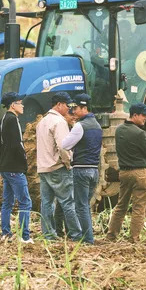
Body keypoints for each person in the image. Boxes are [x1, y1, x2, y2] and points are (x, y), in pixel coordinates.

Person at [108, 103, 146, 242]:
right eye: (143, 115)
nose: (145, 118)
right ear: (134, 115)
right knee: (138, 207)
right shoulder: (140, 133)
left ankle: (111, 235)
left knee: (120, 206)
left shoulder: (119, 130)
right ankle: (134, 238)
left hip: (124, 173)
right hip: (140, 173)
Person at [36, 92, 82, 241]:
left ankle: (49, 234)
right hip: (58, 167)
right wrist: (68, 162)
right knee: (68, 202)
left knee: (47, 203)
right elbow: (63, 147)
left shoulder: (42, 122)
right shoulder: (59, 122)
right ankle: (76, 235)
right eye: (67, 105)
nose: (69, 109)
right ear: (59, 105)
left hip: (43, 167)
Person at [59, 94, 102, 244]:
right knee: (86, 206)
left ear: (84, 108)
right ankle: (88, 236)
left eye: (76, 108)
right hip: (94, 171)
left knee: (81, 206)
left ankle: (87, 239)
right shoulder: (97, 125)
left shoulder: (80, 126)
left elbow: (65, 144)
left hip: (81, 169)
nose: (74, 112)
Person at [0, 92, 32, 243]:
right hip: (14, 167)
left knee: (7, 202)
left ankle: (5, 233)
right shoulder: (13, 120)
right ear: (13, 105)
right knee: (25, 201)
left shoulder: (3, 120)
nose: (22, 105)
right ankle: (25, 236)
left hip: (5, 166)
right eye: (20, 102)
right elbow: (18, 144)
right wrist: (25, 162)